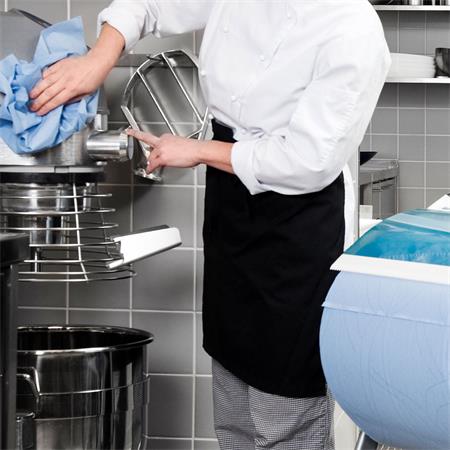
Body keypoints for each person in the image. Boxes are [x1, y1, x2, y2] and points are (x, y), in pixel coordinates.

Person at [29, 2, 391, 448]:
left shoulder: (352, 28)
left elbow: (307, 163)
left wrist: (198, 151)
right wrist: (98, 60)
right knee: (234, 406)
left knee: (284, 410)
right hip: (230, 205)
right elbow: (149, 4)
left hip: (297, 222)